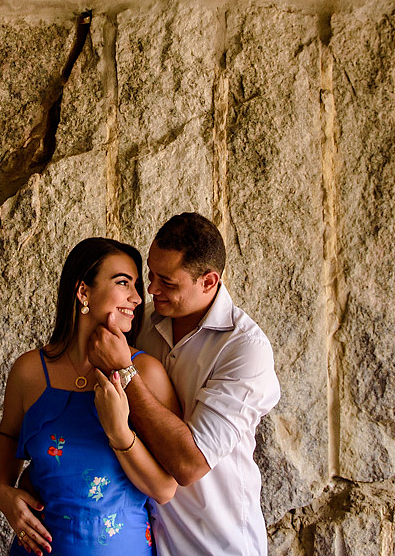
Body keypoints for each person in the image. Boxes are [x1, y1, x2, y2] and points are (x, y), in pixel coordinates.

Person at [88, 213, 281, 556]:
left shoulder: (244, 350)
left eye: (167, 282)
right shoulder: (143, 322)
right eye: (150, 274)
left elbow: (190, 464)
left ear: (208, 282)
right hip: (146, 541)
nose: (150, 290)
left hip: (216, 545)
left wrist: (125, 368)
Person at [0, 237, 180, 555]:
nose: (137, 297)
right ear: (83, 292)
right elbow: (8, 436)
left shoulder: (147, 373)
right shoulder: (29, 370)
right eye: (124, 283)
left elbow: (164, 490)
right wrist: (2, 492)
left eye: (136, 285)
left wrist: (120, 433)